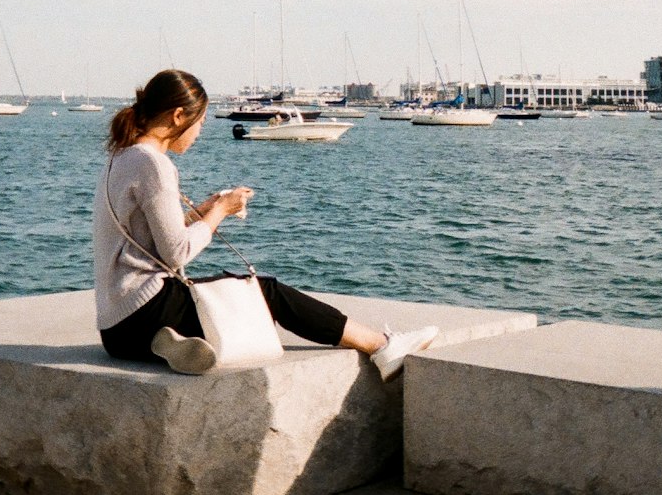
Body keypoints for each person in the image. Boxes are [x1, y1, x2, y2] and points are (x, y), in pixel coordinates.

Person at [93, 68, 437, 378]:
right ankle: (380, 345)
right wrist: (221, 211)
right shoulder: (154, 164)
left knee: (226, 301)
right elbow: (177, 254)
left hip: (116, 330)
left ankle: (170, 342)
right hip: (145, 310)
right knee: (264, 290)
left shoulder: (122, 156)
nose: (201, 131)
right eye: (200, 121)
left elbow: (142, 239)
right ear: (178, 115)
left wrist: (199, 213)